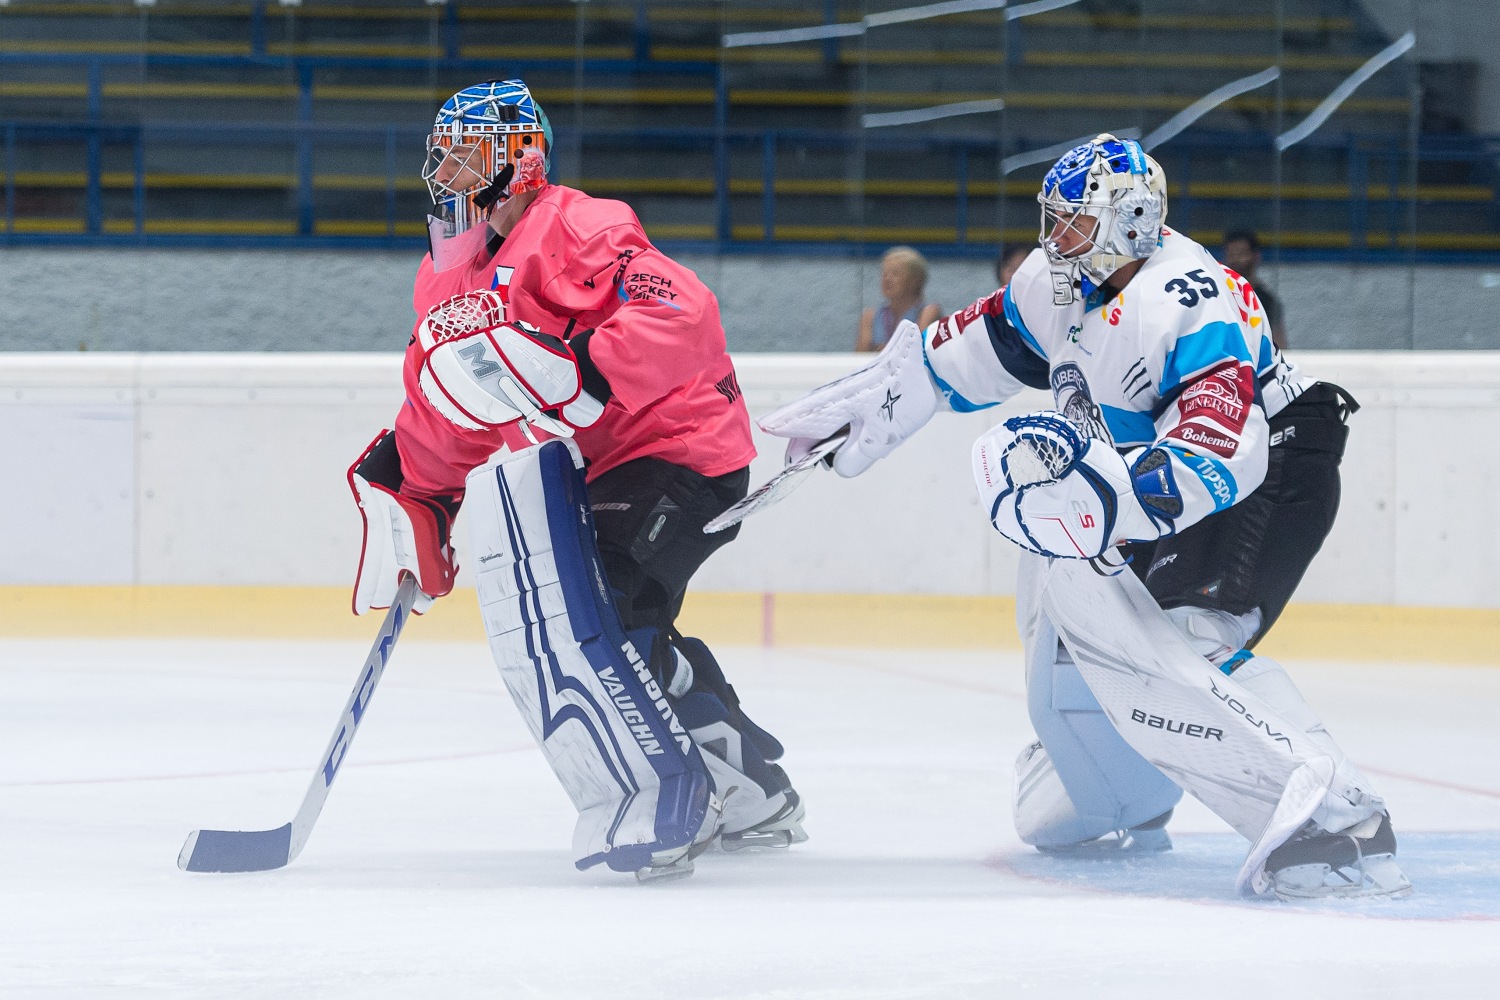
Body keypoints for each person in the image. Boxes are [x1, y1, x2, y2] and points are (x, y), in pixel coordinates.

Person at [759, 134, 1408, 901]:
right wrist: (874, 401)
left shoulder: (1187, 298)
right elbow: (960, 356)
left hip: (1268, 466)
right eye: (1052, 219)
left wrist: (1107, 499)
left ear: (1131, 220)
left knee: (1184, 640)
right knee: (1079, 652)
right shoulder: (1054, 280)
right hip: (1146, 477)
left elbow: (1220, 449)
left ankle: (1340, 822)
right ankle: (1110, 788)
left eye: (1072, 223)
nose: (1053, 239)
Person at [346, 80, 805, 882]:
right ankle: (753, 787)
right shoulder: (445, 277)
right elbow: (450, 400)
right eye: (442, 153)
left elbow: (682, 312)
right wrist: (418, 489)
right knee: (599, 621)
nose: (448, 169)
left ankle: (681, 794)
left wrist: (585, 366)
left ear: (520, 160)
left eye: (467, 152)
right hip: (606, 465)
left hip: (681, 447)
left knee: (611, 612)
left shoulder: (582, 224)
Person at [856, 245, 942, 352]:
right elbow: (860, 357)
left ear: (914, 280)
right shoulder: (870, 316)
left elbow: (915, 351)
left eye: (895, 274)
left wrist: (880, 349)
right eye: (885, 273)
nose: (887, 279)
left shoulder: (927, 312)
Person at [1220, 228, 1287, 348]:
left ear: (1256, 256)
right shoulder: (1219, 297)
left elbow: (1280, 347)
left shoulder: (1268, 302)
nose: (1235, 260)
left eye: (1241, 254)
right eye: (1231, 254)